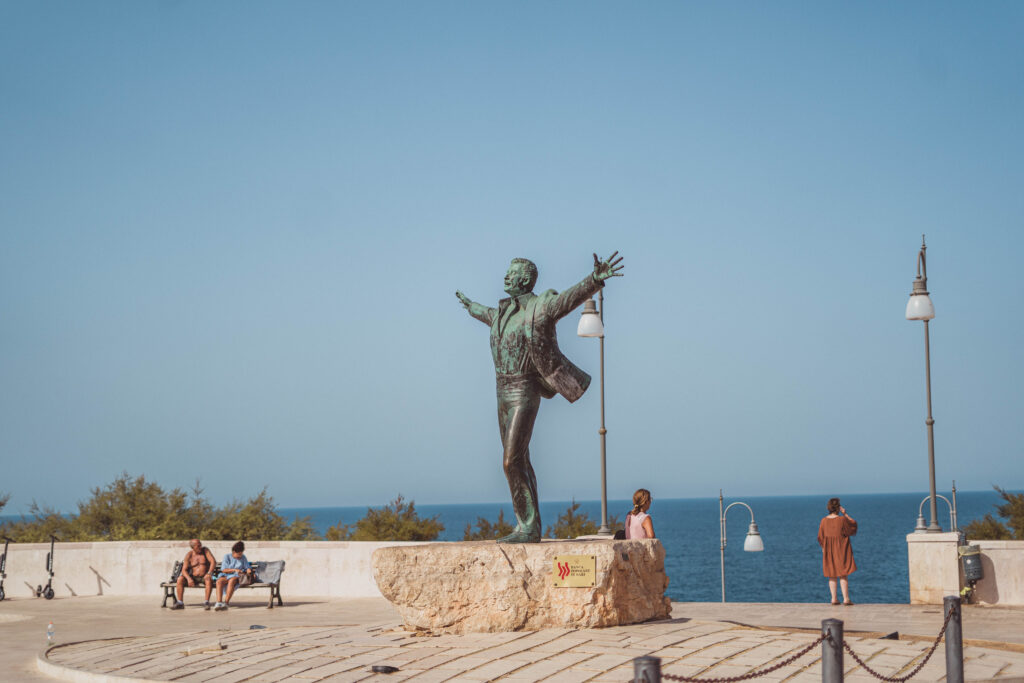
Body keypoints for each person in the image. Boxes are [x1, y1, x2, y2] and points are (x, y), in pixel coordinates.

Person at [456, 253, 625, 543]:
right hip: (502, 392)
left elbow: (567, 301)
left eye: (512, 274)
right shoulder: (500, 314)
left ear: (525, 279)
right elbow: (483, 313)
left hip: (524, 389)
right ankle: (528, 525)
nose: (506, 278)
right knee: (521, 459)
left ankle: (528, 526)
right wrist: (470, 306)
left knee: (510, 461)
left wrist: (594, 281)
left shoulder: (540, 306)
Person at [818, 497, 857, 605]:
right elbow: (853, 526)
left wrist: (823, 548)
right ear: (838, 508)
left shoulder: (823, 521)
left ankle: (834, 598)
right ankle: (846, 599)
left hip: (828, 550)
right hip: (841, 550)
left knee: (832, 574)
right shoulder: (842, 520)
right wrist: (845, 514)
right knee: (843, 574)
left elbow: (820, 537)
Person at [171, 538, 216, 610]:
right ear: (193, 547)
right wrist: (189, 579)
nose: (200, 547)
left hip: (204, 576)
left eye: (200, 545)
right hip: (193, 577)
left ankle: (206, 602)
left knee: (208, 578)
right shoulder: (189, 555)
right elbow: (184, 570)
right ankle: (180, 603)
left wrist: (209, 573)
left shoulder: (205, 551)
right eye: (198, 546)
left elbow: (213, 561)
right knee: (180, 579)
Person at [213, 541, 252, 611]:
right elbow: (224, 570)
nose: (240, 556)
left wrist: (249, 570)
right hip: (226, 575)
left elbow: (247, 567)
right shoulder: (227, 556)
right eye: (238, 554)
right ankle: (219, 602)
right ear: (233, 552)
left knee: (232, 580)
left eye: (241, 553)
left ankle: (226, 603)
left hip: (237, 576)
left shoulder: (243, 557)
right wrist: (234, 570)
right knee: (219, 581)